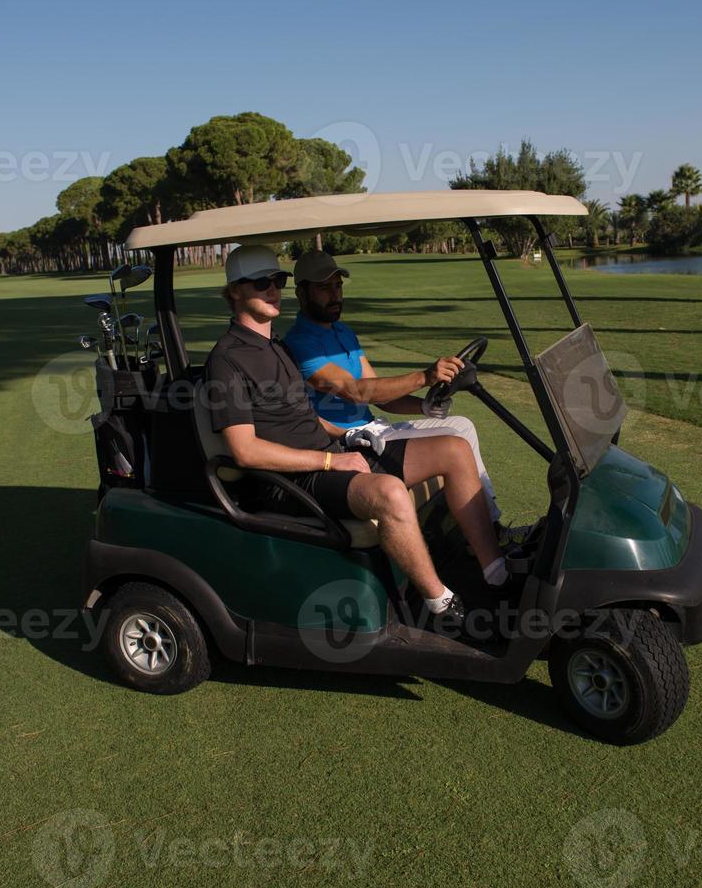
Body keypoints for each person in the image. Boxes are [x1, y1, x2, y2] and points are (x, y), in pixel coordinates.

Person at [202, 246, 511, 623]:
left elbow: (307, 419)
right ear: (235, 291)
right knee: (390, 493)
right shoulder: (226, 360)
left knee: (454, 447)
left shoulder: (277, 348)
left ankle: (497, 574)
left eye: (277, 281)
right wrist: (333, 458)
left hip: (328, 455)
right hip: (290, 481)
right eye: (262, 283)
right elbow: (246, 451)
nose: (272, 290)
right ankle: (442, 603)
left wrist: (346, 438)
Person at [283, 250, 503, 525]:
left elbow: (381, 398)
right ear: (301, 294)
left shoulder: (343, 332)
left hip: (375, 426)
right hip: (351, 440)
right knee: (454, 442)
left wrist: (422, 405)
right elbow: (356, 391)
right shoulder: (300, 342)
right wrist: (425, 377)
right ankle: (490, 531)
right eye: (324, 288)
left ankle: (491, 521)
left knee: (463, 426)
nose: (335, 295)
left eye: (338, 286)